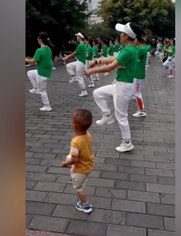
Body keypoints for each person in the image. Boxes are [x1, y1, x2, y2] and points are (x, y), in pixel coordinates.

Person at [85, 22, 143, 152]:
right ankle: (107, 115)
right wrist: (97, 61)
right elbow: (113, 58)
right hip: (120, 84)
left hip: (124, 86)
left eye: (121, 33)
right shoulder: (128, 49)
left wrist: (92, 71)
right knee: (98, 93)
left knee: (121, 116)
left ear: (127, 36)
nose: (119, 35)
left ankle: (127, 142)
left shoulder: (129, 50)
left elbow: (111, 67)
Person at [61, 108, 94, 214]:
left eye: (72, 121)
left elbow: (74, 160)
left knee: (79, 188)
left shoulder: (75, 142)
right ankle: (78, 180)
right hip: (88, 164)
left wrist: (66, 163)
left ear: (74, 125)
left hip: (81, 168)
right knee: (80, 179)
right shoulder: (87, 135)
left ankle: (85, 205)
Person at [25, 32, 54, 112]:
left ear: (40, 39)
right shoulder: (48, 49)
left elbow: (33, 61)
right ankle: (35, 88)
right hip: (44, 72)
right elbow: (47, 61)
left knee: (43, 91)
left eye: (37, 38)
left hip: (42, 74)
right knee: (30, 73)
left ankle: (47, 106)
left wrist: (25, 59)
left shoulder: (39, 50)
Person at [63, 33, 88, 97]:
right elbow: (76, 54)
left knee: (79, 77)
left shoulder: (81, 45)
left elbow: (74, 53)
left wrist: (66, 57)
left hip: (80, 62)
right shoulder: (83, 44)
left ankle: (84, 91)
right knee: (68, 66)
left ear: (79, 37)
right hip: (79, 61)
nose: (76, 38)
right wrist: (68, 56)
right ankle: (73, 78)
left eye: (77, 37)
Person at [132, 33, 149, 117]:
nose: (134, 41)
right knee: (136, 91)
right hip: (138, 73)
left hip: (138, 74)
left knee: (137, 92)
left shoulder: (141, 49)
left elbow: (132, 58)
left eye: (135, 39)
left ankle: (141, 110)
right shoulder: (142, 48)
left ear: (138, 40)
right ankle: (140, 108)